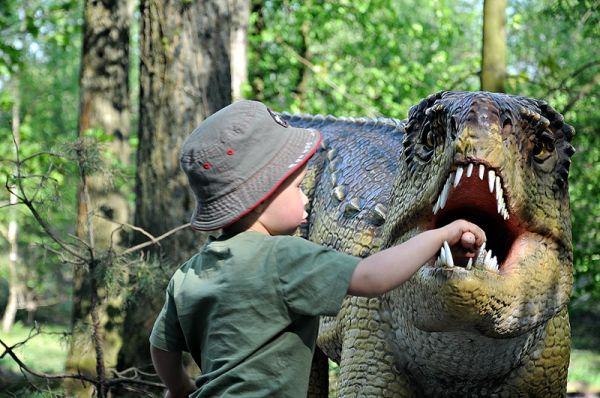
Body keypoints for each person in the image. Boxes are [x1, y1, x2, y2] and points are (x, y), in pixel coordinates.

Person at [149, 100, 486, 398]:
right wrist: (440, 236)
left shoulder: (188, 274)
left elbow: (161, 346)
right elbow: (371, 277)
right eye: (297, 188)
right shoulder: (285, 258)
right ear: (261, 198)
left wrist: (178, 386)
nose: (306, 197)